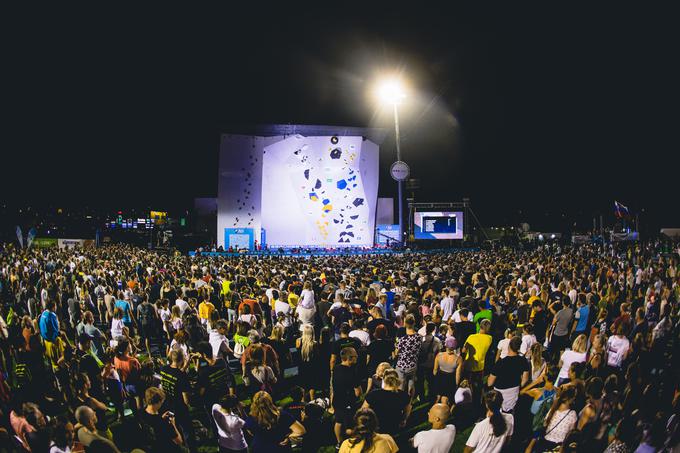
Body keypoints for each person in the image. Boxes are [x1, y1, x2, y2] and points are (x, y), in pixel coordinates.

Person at [487, 336, 530, 413]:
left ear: (509, 346)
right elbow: (525, 379)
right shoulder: (523, 361)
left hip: (499, 393)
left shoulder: (500, 363)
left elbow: (490, 382)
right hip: (514, 392)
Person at [362, 371, 411, 435]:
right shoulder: (403, 395)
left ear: (384, 380)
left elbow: (363, 409)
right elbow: (407, 410)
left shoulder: (373, 394)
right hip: (394, 425)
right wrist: (403, 420)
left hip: (376, 425)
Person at [332, 346, 362, 447]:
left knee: (338, 421)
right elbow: (358, 391)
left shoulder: (336, 368)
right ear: (349, 358)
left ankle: (339, 442)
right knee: (351, 423)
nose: (357, 357)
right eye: (355, 356)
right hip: (348, 402)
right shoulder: (351, 372)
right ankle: (353, 442)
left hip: (337, 400)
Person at [140, 387, 183, 452]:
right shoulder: (164, 423)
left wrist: (161, 418)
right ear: (158, 402)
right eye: (161, 402)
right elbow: (179, 441)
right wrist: (173, 424)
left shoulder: (141, 413)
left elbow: (154, 422)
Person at [462, 318, 493, 396]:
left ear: (480, 326)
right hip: (480, 366)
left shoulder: (471, 337)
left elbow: (463, 350)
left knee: (469, 383)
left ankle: (469, 398)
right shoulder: (489, 338)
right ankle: (478, 400)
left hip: (469, 364)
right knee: (479, 385)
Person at [395, 314, 421, 396]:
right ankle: (410, 403)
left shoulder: (402, 339)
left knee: (400, 387)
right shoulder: (419, 337)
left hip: (402, 365)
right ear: (414, 323)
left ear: (405, 323)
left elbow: (396, 353)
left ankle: (401, 404)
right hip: (413, 365)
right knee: (411, 385)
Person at [432, 336, 463, 407]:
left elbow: (435, 370)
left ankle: (434, 413)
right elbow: (458, 375)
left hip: (440, 377)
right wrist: (456, 385)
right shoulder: (459, 359)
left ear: (445, 345)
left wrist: (436, 379)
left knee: (437, 397)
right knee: (445, 399)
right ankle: (443, 415)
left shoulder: (439, 355)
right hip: (450, 379)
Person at [295, 324, 319, 401]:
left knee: (303, 386)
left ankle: (302, 404)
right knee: (312, 387)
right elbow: (317, 356)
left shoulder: (298, 341)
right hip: (312, 367)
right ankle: (313, 403)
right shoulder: (314, 343)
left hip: (301, 366)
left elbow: (297, 354)